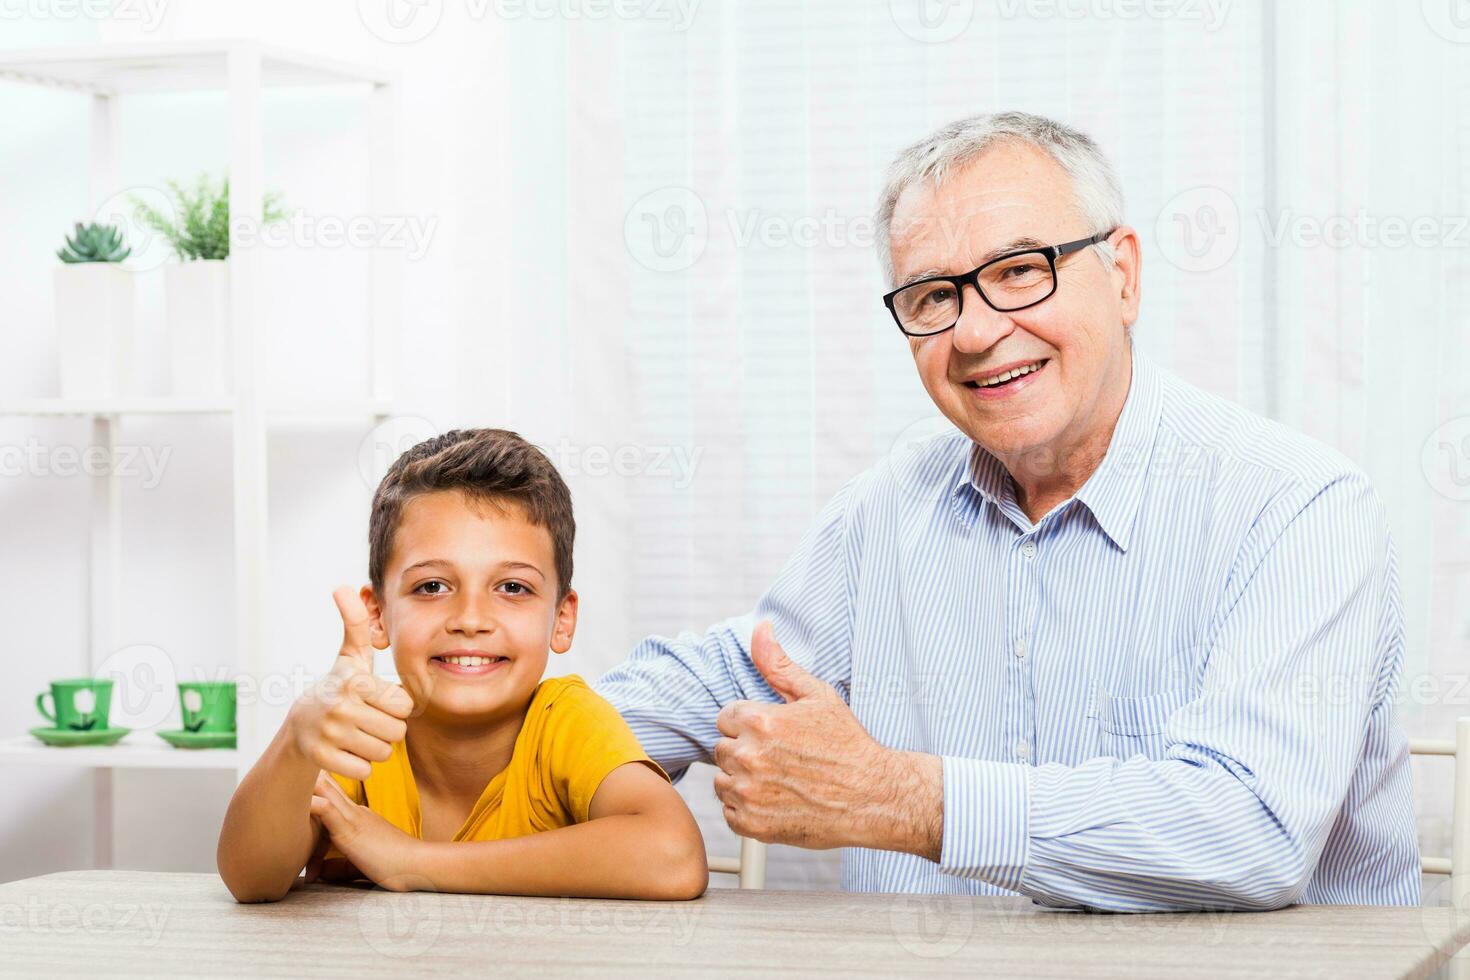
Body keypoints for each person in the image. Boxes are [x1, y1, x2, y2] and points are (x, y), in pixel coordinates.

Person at [597, 111, 1420, 910]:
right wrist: (485, 722)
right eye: (931, 297)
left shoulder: (1300, 507)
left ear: (1123, 276)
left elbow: (1250, 831)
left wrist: (903, 799)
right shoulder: (889, 506)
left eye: (1021, 269)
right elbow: (724, 683)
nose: (978, 331)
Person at [218, 428, 708, 902]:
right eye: (432, 586)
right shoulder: (359, 730)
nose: (471, 620)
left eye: (513, 587)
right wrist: (296, 737)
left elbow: (673, 856)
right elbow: (252, 880)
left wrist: (413, 862)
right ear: (377, 614)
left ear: (561, 619)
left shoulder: (569, 721)